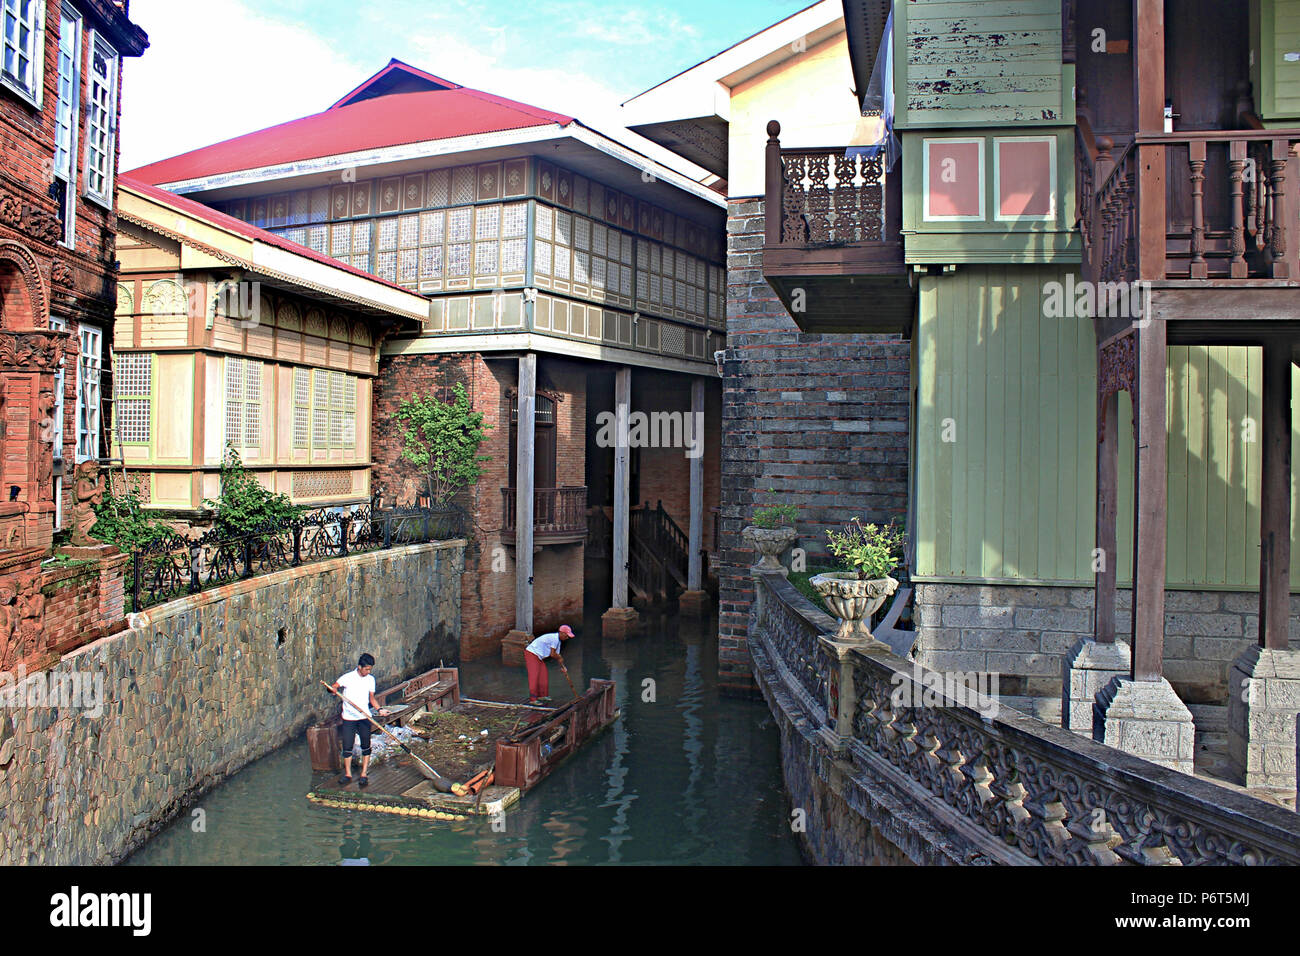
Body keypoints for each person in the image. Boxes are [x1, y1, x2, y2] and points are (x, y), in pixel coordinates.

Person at [328, 653, 389, 787]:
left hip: (364, 717)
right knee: (347, 747)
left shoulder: (370, 679)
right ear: (359, 667)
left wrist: (380, 710)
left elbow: (372, 698)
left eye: (370, 669)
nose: (368, 672)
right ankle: (348, 774)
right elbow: (335, 686)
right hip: (349, 717)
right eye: (366, 669)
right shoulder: (348, 678)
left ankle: (363, 774)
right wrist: (333, 689)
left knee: (366, 746)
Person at [524, 625, 574, 704]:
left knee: (544, 674)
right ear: (561, 633)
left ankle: (542, 695)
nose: (567, 637)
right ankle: (533, 699)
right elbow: (553, 654)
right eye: (566, 635)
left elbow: (558, 656)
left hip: (538, 657)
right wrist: (559, 657)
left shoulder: (558, 642)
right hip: (532, 653)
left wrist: (563, 667)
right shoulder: (554, 638)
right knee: (534, 676)